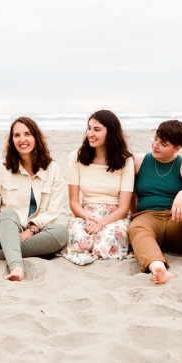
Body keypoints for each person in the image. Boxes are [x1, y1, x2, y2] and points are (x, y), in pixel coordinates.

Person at [0, 117, 69, 281]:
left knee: (61, 233)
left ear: (36, 138)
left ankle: (0, 255)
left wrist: (32, 230)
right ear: (12, 140)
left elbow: (54, 209)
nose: (22, 139)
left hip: (37, 233)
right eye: (17, 135)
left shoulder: (53, 169)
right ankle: (17, 267)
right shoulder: (0, 170)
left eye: (27, 134)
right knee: (8, 214)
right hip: (7, 229)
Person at [128, 120, 182, 284]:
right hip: (148, 220)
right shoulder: (138, 161)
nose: (156, 146)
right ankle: (158, 268)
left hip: (177, 222)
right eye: (155, 139)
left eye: (163, 144)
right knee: (136, 227)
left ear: (177, 148)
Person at [61, 110, 134, 265]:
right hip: (86, 214)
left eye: (97, 129)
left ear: (111, 132)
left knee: (105, 242)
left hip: (114, 216)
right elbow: (73, 202)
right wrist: (88, 218)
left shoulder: (125, 161)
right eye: (89, 128)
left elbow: (124, 207)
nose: (90, 134)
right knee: (81, 241)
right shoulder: (76, 157)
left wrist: (102, 222)